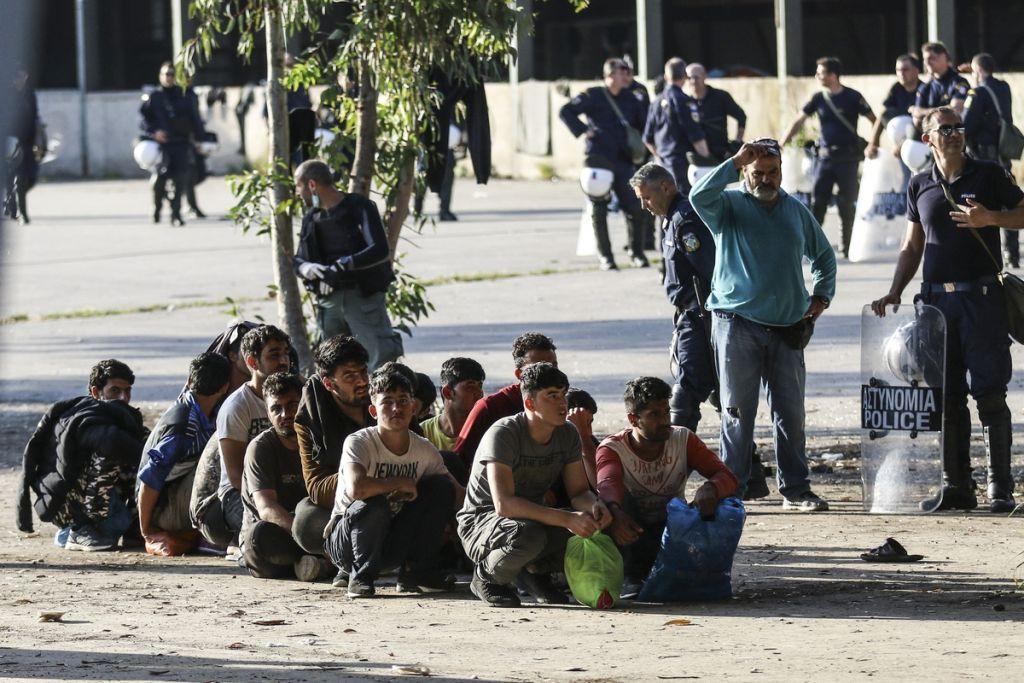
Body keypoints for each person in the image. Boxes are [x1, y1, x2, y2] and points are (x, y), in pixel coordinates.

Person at [870, 107, 1024, 513]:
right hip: (936, 305)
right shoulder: (919, 184)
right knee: (947, 397)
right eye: (946, 129)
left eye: (959, 127)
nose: (955, 133)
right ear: (928, 139)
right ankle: (956, 485)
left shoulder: (989, 174)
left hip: (982, 300)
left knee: (990, 393)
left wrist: (990, 218)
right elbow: (912, 246)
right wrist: (894, 291)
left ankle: (1000, 487)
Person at [690, 138, 836, 510]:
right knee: (737, 412)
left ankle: (796, 489)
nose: (766, 179)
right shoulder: (728, 206)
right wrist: (733, 161)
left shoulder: (795, 210)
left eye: (773, 172)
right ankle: (732, 489)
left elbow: (823, 256)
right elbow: (698, 196)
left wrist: (821, 297)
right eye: (758, 173)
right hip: (737, 323)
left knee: (791, 413)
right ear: (745, 172)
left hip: (788, 327)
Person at [457, 362, 612, 608]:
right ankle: (486, 578)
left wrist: (595, 507)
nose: (562, 403)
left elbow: (579, 492)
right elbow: (505, 505)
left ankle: (534, 572)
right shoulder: (504, 433)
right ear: (530, 403)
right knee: (529, 535)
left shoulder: (568, 433)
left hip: (531, 520)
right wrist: (567, 519)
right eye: (552, 396)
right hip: (483, 524)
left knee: (592, 527)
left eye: (563, 395)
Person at [324, 368, 462, 597]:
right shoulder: (358, 443)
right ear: (373, 410)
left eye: (403, 401)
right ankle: (360, 578)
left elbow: (457, 493)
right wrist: (398, 483)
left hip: (390, 543)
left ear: (413, 407)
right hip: (346, 543)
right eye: (387, 402)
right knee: (373, 501)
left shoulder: (424, 449)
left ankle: (416, 572)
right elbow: (357, 489)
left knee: (440, 487)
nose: (397, 408)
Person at [597, 377, 738, 592]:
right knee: (609, 506)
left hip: (671, 531)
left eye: (666, 412)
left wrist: (711, 488)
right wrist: (615, 514)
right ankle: (629, 575)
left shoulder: (683, 439)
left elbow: (726, 476)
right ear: (633, 419)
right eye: (654, 414)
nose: (665, 420)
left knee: (726, 503)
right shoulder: (612, 448)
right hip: (630, 531)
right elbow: (607, 485)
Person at [16, 360, 146, 551]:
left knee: (144, 455)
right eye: (115, 391)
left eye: (127, 391)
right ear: (95, 392)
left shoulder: (114, 416)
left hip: (77, 503)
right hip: (66, 506)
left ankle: (126, 531)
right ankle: (82, 531)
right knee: (117, 454)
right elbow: (113, 442)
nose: (123, 398)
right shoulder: (87, 416)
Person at [629, 162, 716, 432]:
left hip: (700, 314)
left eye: (646, 198)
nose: (644, 205)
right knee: (717, 390)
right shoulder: (671, 219)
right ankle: (745, 456)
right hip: (688, 313)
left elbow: (710, 270)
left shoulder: (685, 220)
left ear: (666, 188)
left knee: (686, 392)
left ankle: (675, 453)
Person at [293, 159, 404, 369]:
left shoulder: (359, 207)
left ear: (312, 185)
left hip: (362, 297)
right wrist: (308, 269)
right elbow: (299, 259)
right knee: (333, 363)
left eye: (299, 186)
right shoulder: (312, 218)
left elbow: (379, 249)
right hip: (329, 301)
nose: (297, 193)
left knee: (379, 359)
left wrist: (345, 264)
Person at [197, 325, 292, 549]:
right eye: (274, 355)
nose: (284, 361)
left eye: (286, 353)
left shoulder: (298, 394)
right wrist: (269, 503)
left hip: (284, 484)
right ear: (252, 362)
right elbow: (235, 475)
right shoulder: (237, 406)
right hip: (239, 493)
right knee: (270, 532)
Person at [137, 352, 232, 556]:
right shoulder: (184, 424)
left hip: (176, 497)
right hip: (162, 510)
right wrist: (146, 531)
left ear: (189, 381)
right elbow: (150, 478)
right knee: (220, 459)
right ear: (225, 387)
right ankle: (207, 532)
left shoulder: (211, 413)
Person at [781, 57, 876, 258]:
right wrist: (782, 142)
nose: (817, 76)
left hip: (848, 158)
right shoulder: (818, 98)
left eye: (821, 72)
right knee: (818, 204)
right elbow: (799, 120)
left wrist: (874, 143)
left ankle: (846, 247)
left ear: (833, 75)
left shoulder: (853, 96)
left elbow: (874, 119)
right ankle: (811, 247)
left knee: (847, 204)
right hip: (825, 159)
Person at [559, 58, 649, 270]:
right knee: (599, 208)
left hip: (623, 159)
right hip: (598, 158)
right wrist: (584, 130)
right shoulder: (594, 95)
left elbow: (644, 124)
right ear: (609, 75)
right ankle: (606, 256)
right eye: (621, 72)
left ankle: (636, 253)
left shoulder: (631, 98)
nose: (626, 76)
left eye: (627, 72)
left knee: (635, 207)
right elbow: (566, 111)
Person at [240, 372, 329, 581]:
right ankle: (317, 564)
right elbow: (266, 508)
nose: (285, 415)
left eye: (291, 406)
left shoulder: (320, 440)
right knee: (258, 537)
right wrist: (305, 540)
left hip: (314, 527)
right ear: (267, 413)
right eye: (276, 409)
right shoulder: (260, 448)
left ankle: (316, 564)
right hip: (280, 532)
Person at [293, 335, 374, 562]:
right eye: (350, 376)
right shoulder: (310, 418)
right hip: (346, 504)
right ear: (329, 384)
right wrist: (363, 480)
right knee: (307, 521)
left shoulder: (383, 399)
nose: (362, 382)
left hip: (399, 492)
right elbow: (317, 487)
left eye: (363, 372)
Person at [452, 333, 558, 472]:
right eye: (538, 368)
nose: (549, 374)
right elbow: (459, 462)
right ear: (519, 374)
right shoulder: (490, 407)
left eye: (553, 367)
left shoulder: (563, 404)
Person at [964, 53, 1018, 267]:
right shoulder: (1004, 87)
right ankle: (1012, 253)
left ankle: (985, 253)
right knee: (1009, 200)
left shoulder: (977, 93)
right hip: (1002, 153)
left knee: (982, 203)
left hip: (983, 155)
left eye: (973, 71)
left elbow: (967, 125)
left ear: (978, 70)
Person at [139, 61, 205, 227]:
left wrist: (200, 140)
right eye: (165, 74)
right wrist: (154, 132)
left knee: (180, 180)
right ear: (160, 76)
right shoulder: (155, 97)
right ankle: (157, 208)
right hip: (161, 145)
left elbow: (195, 119)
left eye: (171, 74)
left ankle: (176, 214)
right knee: (159, 180)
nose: (168, 77)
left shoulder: (185, 95)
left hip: (181, 143)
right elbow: (143, 121)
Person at [643, 58, 710, 193]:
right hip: (682, 165)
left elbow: (647, 139)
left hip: (662, 165)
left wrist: (661, 157)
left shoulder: (655, 103)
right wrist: (708, 161)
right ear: (685, 76)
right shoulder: (685, 102)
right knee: (684, 202)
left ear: (666, 76)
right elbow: (696, 136)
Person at [420, 357, 486, 454]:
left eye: (480, 386)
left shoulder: (486, 431)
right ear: (448, 393)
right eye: (470, 387)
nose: (479, 394)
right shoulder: (422, 433)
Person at [684, 63, 747, 162]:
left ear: (704, 77)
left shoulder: (721, 97)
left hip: (720, 155)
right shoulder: (686, 102)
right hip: (698, 157)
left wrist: (738, 141)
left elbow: (741, 116)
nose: (693, 81)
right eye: (689, 78)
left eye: (696, 77)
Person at [866, 54, 923, 162]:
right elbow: (883, 114)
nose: (901, 73)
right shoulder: (896, 88)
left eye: (905, 69)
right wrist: (873, 143)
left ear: (916, 71)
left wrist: (904, 145)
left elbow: (923, 123)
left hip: (920, 144)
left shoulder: (925, 90)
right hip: (899, 144)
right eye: (898, 70)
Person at [4, 66, 39, 224]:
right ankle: (17, 211)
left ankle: (15, 205)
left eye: (23, 75)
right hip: (9, 141)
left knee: (29, 177)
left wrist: (37, 140)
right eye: (18, 76)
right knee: (11, 177)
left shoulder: (29, 94)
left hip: (26, 141)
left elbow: (35, 117)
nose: (21, 79)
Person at [911, 42, 970, 124]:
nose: (927, 62)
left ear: (944, 57)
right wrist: (944, 109)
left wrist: (926, 111)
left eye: (931, 58)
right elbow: (917, 113)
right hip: (931, 129)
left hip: (953, 129)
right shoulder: (925, 86)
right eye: (925, 59)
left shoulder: (959, 82)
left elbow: (956, 109)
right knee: (915, 120)